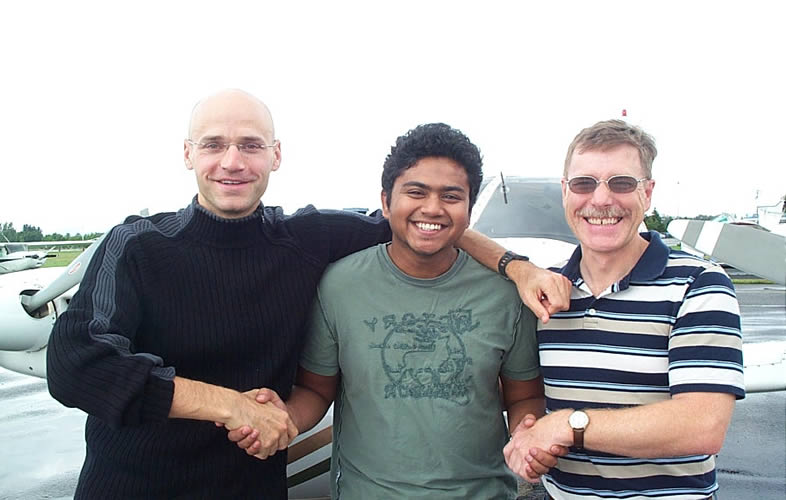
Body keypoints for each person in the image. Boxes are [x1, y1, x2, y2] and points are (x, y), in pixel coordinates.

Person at [46, 89, 570, 499]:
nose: (232, 161)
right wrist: (229, 406)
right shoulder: (136, 245)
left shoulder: (306, 239)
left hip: (252, 488)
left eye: (250, 145)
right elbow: (76, 363)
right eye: (213, 145)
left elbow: (423, 223)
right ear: (187, 154)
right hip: (137, 488)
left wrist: (514, 266)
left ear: (276, 155)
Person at [234, 122, 563, 498]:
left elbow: (524, 395)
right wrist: (284, 418)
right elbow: (316, 389)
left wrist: (528, 433)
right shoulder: (339, 284)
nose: (433, 208)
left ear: (469, 209)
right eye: (416, 192)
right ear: (386, 201)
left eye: (451, 196)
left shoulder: (505, 294)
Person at [503, 120, 745, 499]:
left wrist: (570, 424)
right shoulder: (545, 291)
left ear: (647, 193)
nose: (601, 200)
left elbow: (702, 425)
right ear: (565, 192)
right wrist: (527, 435)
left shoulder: (699, 284)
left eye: (621, 183)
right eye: (584, 183)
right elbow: (530, 396)